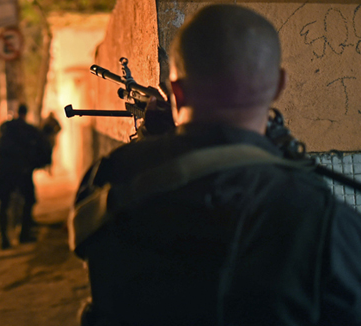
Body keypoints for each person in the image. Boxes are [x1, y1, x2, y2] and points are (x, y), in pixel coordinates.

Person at [69, 5, 361, 326]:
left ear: (176, 92)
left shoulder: (110, 178)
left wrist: (151, 145)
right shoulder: (325, 219)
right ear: (279, 86)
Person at [0, 104, 51, 249]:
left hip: (5, 172)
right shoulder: (28, 130)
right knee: (29, 200)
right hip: (22, 172)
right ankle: (23, 234)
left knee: (3, 205)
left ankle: (4, 239)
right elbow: (42, 147)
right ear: (26, 113)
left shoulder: (6, 128)